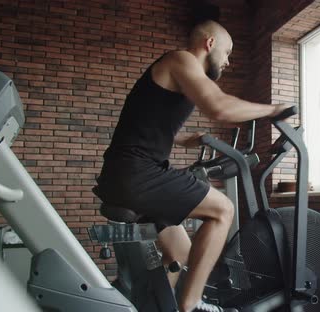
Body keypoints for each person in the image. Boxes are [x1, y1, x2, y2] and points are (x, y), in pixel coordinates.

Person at [95, 19, 293, 312]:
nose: (227, 61)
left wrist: (187, 139)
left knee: (179, 252)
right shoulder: (181, 59)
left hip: (127, 172)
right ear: (209, 43)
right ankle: (190, 305)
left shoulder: (174, 73)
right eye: (226, 53)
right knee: (223, 210)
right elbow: (219, 107)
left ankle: (149, 306)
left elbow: (147, 121)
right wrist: (274, 110)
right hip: (138, 173)